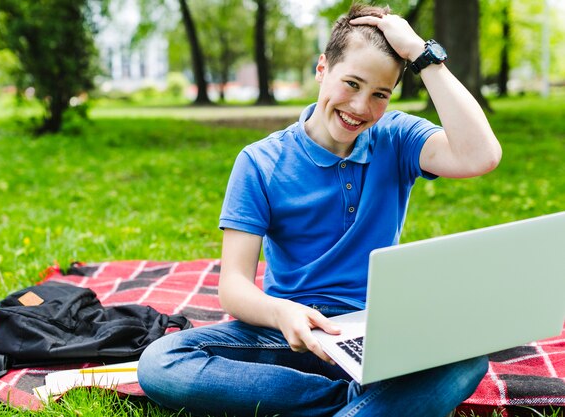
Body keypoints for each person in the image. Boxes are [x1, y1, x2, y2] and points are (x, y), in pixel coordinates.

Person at [138, 3, 502, 417]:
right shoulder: (260, 162)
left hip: (377, 335)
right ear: (322, 68)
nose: (361, 107)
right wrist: (282, 313)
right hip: (289, 334)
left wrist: (421, 53)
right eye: (351, 83)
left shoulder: (398, 137)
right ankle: (356, 407)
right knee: (161, 362)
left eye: (380, 94)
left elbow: (481, 155)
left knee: (468, 359)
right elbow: (233, 287)